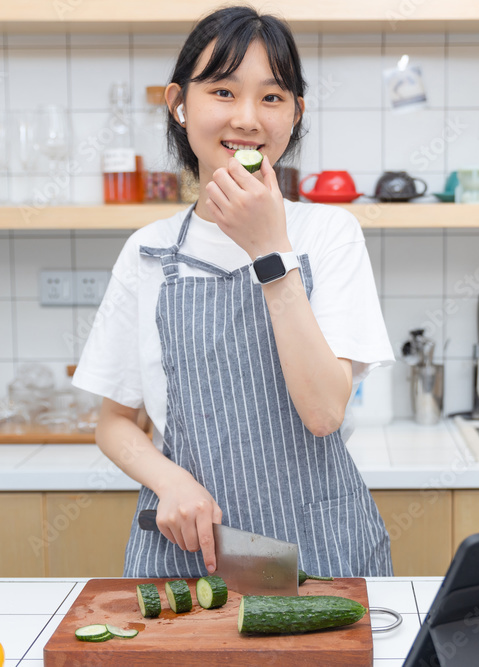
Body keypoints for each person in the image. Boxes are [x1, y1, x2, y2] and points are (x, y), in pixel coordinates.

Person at [72, 5, 394, 579]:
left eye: (272, 97)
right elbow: (114, 421)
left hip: (322, 552)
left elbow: (323, 412)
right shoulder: (149, 251)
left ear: (297, 113)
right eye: (222, 91)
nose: (247, 118)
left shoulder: (330, 235)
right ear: (178, 103)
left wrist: (269, 251)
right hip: (189, 551)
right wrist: (170, 481)